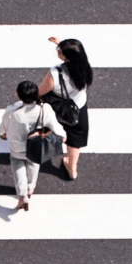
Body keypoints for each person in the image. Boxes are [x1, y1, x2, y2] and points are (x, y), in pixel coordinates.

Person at [0, 80, 66, 211]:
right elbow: (56, 128)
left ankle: (22, 194)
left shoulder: (11, 111)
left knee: (18, 166)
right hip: (36, 147)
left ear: (18, 95)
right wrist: (62, 137)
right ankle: (30, 187)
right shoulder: (44, 109)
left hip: (17, 148)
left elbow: (2, 131)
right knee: (34, 164)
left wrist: (3, 135)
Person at [37, 37, 93, 180]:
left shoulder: (55, 73)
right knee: (75, 140)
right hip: (78, 107)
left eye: (60, 51)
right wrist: (61, 43)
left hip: (57, 108)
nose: (57, 51)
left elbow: (41, 91)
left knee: (46, 128)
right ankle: (72, 168)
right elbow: (76, 54)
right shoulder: (85, 68)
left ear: (67, 57)